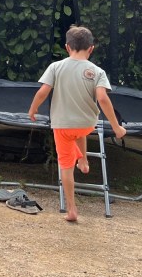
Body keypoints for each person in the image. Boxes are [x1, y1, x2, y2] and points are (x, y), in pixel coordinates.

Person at [27, 25, 128, 222]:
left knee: (65, 166)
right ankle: (83, 160)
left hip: (63, 126)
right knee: (80, 129)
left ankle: (72, 209)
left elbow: (42, 92)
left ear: (67, 47)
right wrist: (116, 127)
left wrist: (33, 109)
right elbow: (103, 99)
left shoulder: (56, 67)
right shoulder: (97, 71)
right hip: (87, 123)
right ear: (91, 49)